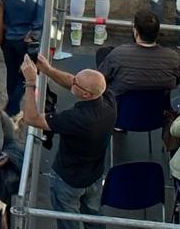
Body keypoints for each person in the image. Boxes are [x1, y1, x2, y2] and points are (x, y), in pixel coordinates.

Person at [19, 55, 115, 229]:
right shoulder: (109, 101)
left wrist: (31, 82)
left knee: (68, 223)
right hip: (94, 176)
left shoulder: (76, 119)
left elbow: (31, 118)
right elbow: (73, 82)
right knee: (94, 218)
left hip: (68, 180)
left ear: (86, 94)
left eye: (76, 82)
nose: (72, 81)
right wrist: (48, 70)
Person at [0, 0, 45, 116]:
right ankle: (12, 109)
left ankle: (11, 105)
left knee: (11, 74)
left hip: (7, 37)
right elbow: (39, 22)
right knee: (24, 76)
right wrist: (34, 36)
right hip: (26, 40)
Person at [98, 8, 180, 97]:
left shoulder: (118, 55)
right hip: (158, 108)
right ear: (158, 32)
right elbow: (179, 79)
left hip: (121, 107)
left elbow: (100, 79)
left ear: (136, 32)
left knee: (104, 54)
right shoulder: (174, 58)